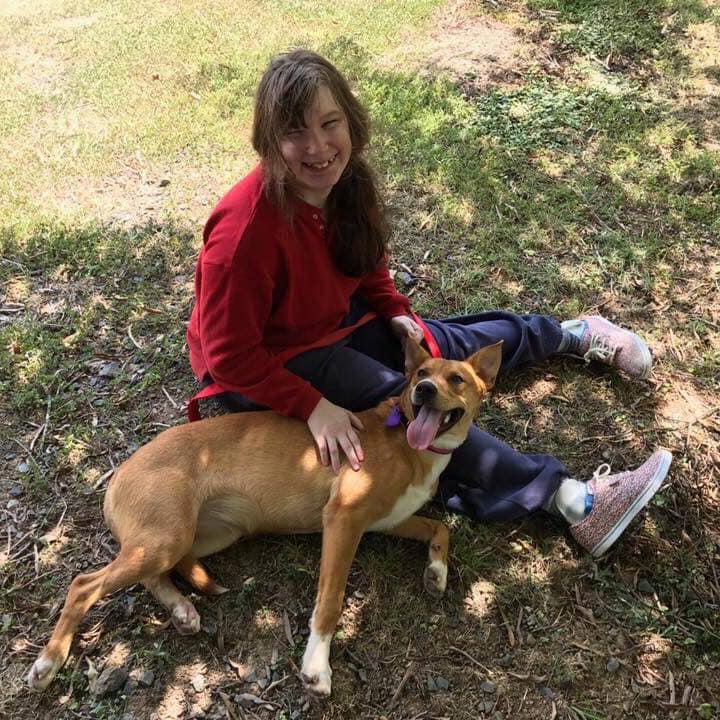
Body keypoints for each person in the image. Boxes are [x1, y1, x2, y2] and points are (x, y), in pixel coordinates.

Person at [186, 49, 671, 558]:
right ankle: (572, 501)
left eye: (330, 124)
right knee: (411, 400)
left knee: (447, 352)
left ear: (350, 120)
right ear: (269, 141)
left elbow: (364, 258)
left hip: (329, 321)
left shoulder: (345, 181)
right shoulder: (243, 235)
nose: (319, 147)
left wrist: (393, 309)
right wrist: (313, 407)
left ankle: (568, 335)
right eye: (295, 133)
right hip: (272, 360)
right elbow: (229, 357)